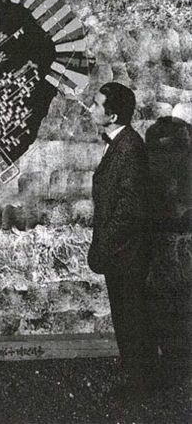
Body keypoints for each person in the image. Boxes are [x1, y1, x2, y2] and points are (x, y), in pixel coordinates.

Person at [88, 82, 158, 394]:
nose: (91, 109)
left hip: (125, 253)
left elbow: (130, 210)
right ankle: (138, 376)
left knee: (131, 319)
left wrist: (103, 247)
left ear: (112, 116)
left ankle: (140, 384)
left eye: (96, 104)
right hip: (123, 251)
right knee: (129, 317)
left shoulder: (128, 148)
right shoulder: (121, 142)